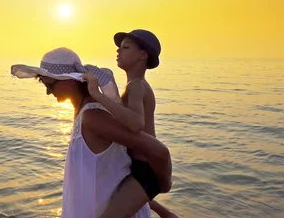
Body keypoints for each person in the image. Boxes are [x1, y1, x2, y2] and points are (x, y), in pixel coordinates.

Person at [11, 47, 172, 218]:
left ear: (70, 80)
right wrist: (162, 210)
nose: (48, 91)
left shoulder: (93, 117)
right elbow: (115, 175)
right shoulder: (85, 113)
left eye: (49, 84)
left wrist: (163, 185)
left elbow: (159, 152)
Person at [82, 29, 178, 218]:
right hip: (136, 167)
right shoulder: (135, 85)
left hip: (145, 169)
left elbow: (135, 123)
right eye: (119, 47)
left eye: (125, 47)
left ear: (143, 55)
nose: (118, 51)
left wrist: (96, 94)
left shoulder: (136, 86)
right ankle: (166, 214)